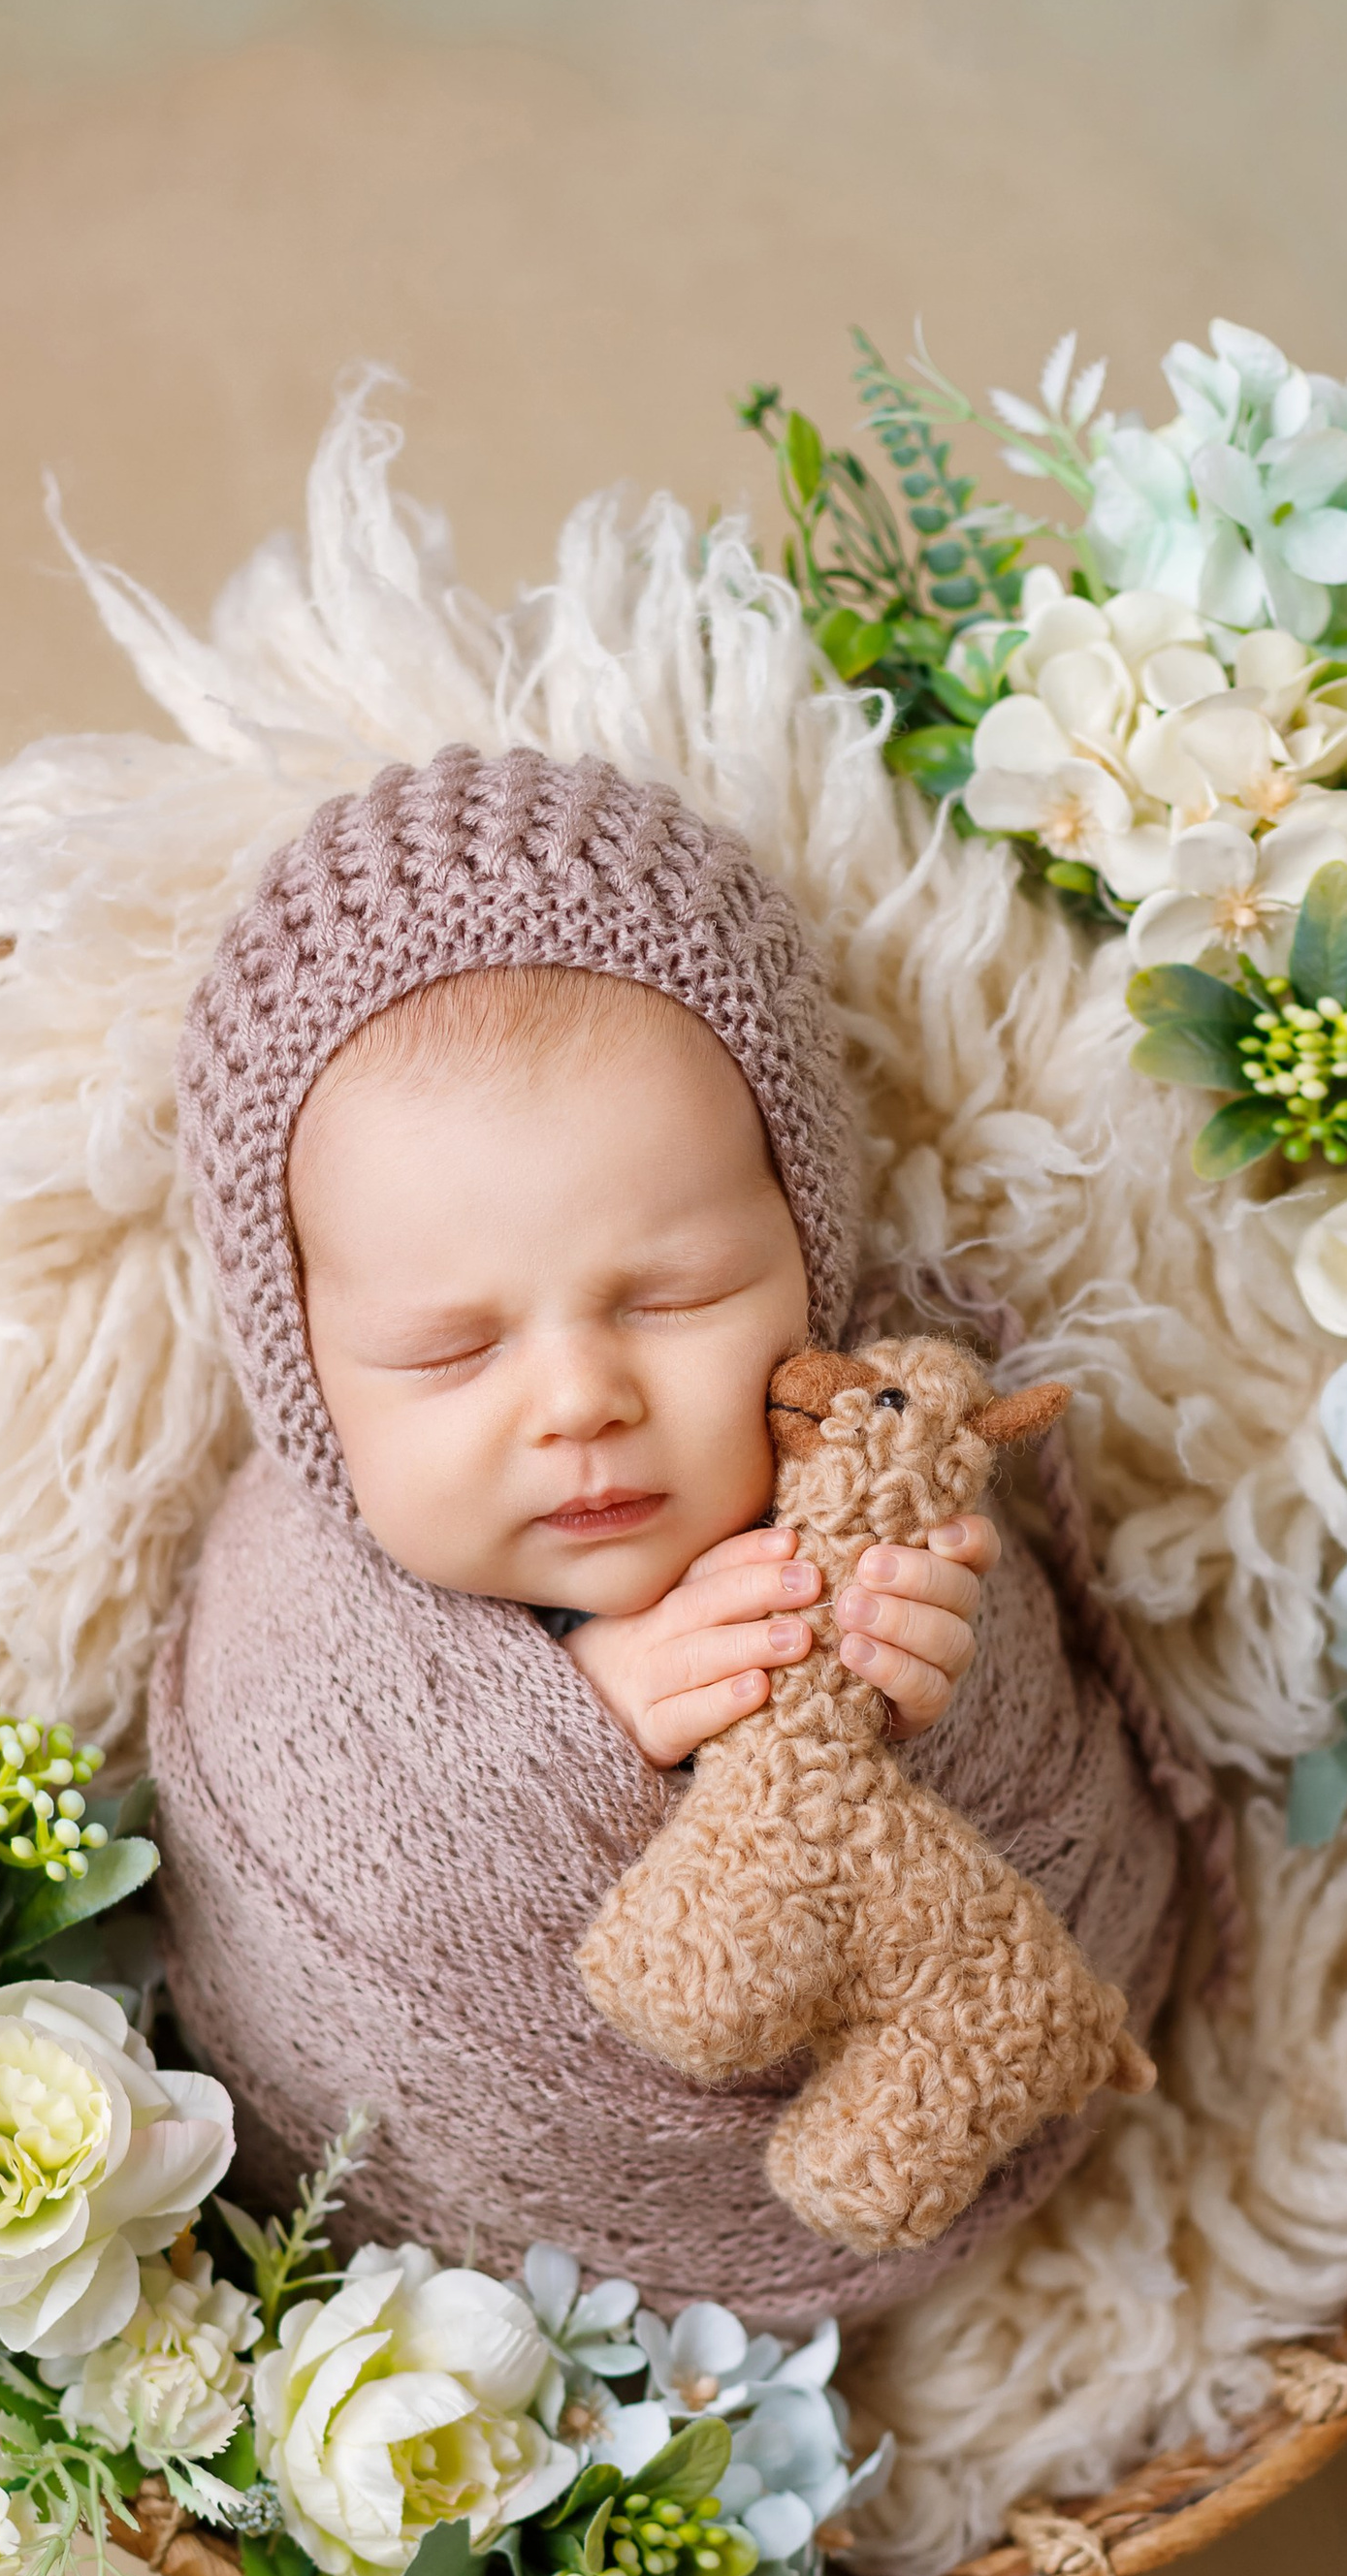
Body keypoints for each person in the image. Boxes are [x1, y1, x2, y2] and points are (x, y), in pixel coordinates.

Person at [152, 744, 1196, 2327]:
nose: (580, 1399)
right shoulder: (293, 1601)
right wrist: (581, 1725)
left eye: (672, 1298)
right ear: (301, 1366)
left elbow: (1033, 1802)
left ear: (810, 1242)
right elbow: (288, 1844)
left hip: (970, 2156)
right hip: (445, 2258)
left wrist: (936, 1678)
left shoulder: (885, 1454)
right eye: (449, 1351)